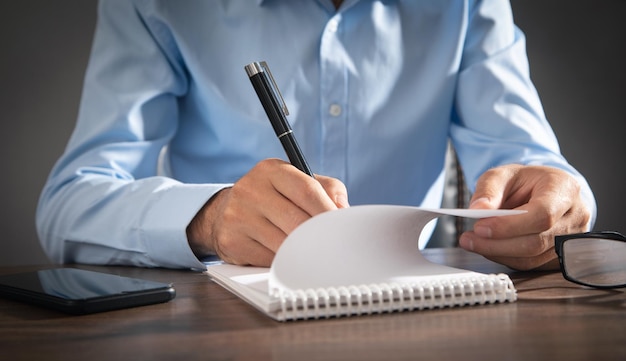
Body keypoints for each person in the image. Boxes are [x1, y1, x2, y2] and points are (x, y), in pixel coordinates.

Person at [36, 0, 595, 272]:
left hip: (412, 309)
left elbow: (529, 166)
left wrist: (558, 200)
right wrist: (209, 218)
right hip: (227, 318)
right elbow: (69, 203)